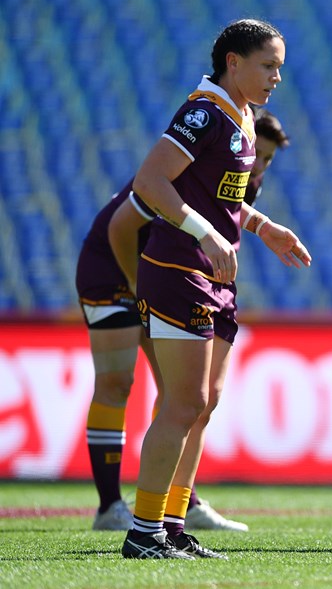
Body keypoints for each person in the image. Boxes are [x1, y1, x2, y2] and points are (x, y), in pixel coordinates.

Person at [119, 18, 311, 560]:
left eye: (280, 67)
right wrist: (207, 235)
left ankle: (172, 525)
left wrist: (261, 226)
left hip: (213, 272)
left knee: (203, 404)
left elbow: (217, 196)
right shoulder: (203, 112)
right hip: (179, 266)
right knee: (183, 403)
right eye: (267, 65)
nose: (276, 76)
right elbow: (150, 182)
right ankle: (144, 532)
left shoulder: (243, 116)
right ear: (233, 61)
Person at [77, 110, 290, 533]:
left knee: (186, 396)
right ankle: (109, 507)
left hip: (162, 277)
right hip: (113, 270)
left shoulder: (235, 182)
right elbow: (122, 226)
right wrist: (138, 289)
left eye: (266, 159)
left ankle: (179, 502)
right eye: (258, 155)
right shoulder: (189, 168)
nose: (260, 167)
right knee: (120, 383)